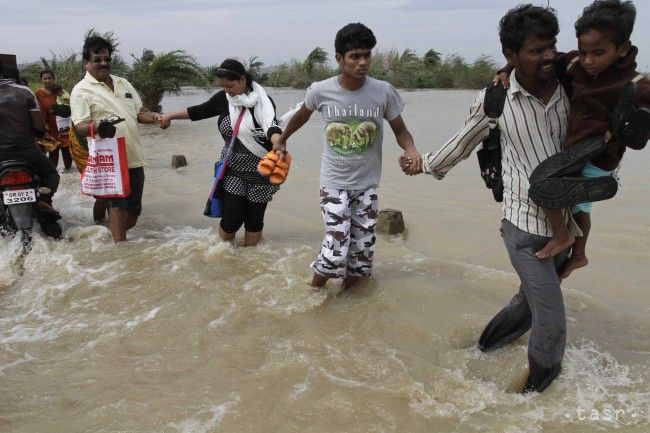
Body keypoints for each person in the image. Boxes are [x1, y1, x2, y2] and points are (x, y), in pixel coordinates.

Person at [403, 5, 574, 392]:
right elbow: (461, 143)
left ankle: (481, 348)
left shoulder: (570, 83)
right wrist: (422, 163)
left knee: (529, 305)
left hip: (568, 221)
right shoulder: (494, 100)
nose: (548, 56)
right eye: (536, 51)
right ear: (511, 57)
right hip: (524, 227)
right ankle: (535, 396)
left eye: (551, 47)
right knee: (550, 317)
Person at [496, 0, 650, 278]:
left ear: (623, 49)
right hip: (576, 150)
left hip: (599, 154)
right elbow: (535, 60)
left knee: (542, 184)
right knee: (579, 205)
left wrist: (639, 123)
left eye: (598, 53)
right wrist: (507, 70)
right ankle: (578, 255)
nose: (589, 60)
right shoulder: (576, 65)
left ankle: (563, 237)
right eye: (584, 51)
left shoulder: (634, 83)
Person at [275, 23, 421, 290]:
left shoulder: (383, 91)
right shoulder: (320, 90)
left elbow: (400, 130)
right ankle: (312, 293)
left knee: (361, 257)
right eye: (355, 56)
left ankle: (348, 306)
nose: (362, 62)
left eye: (367, 55)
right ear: (339, 58)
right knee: (335, 251)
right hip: (333, 183)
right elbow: (301, 116)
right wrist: (283, 139)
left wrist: (410, 149)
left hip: (367, 185)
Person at [159, 59, 284, 246]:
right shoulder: (223, 99)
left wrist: (278, 143)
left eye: (230, 85)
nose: (227, 90)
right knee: (231, 220)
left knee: (254, 221)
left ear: (243, 80)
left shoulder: (264, 102)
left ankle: (249, 264)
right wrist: (169, 116)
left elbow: (271, 126)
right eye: (223, 86)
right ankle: (222, 256)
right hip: (233, 169)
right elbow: (198, 111)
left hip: (262, 171)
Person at [70, 35, 163, 242]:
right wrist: (99, 128)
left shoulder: (123, 83)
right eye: (97, 59)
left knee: (134, 212)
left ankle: (107, 237)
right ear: (86, 62)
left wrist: (156, 117)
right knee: (118, 206)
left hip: (134, 156)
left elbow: (141, 112)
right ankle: (121, 253)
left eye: (107, 59)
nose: (103, 63)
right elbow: (80, 126)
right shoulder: (81, 90)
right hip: (109, 159)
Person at [0, 62, 62, 237]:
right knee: (51, 175)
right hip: (27, 151)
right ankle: (43, 201)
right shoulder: (24, 92)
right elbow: (40, 127)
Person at [34, 70, 73, 171]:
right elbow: (36, 108)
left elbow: (69, 101)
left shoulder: (59, 91)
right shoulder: (38, 93)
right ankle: (52, 170)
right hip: (49, 125)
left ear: (53, 79)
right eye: (45, 78)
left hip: (62, 123)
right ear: (41, 80)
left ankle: (68, 168)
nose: (47, 80)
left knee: (66, 146)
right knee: (52, 148)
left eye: (49, 78)